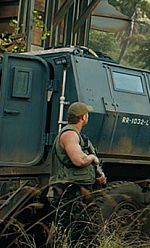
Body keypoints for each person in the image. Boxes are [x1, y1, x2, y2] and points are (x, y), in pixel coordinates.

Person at [49, 101, 106, 246]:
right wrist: (92, 158)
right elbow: (79, 160)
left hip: (79, 189)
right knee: (70, 230)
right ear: (83, 117)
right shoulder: (69, 134)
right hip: (71, 190)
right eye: (87, 114)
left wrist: (97, 175)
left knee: (84, 229)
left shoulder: (78, 136)